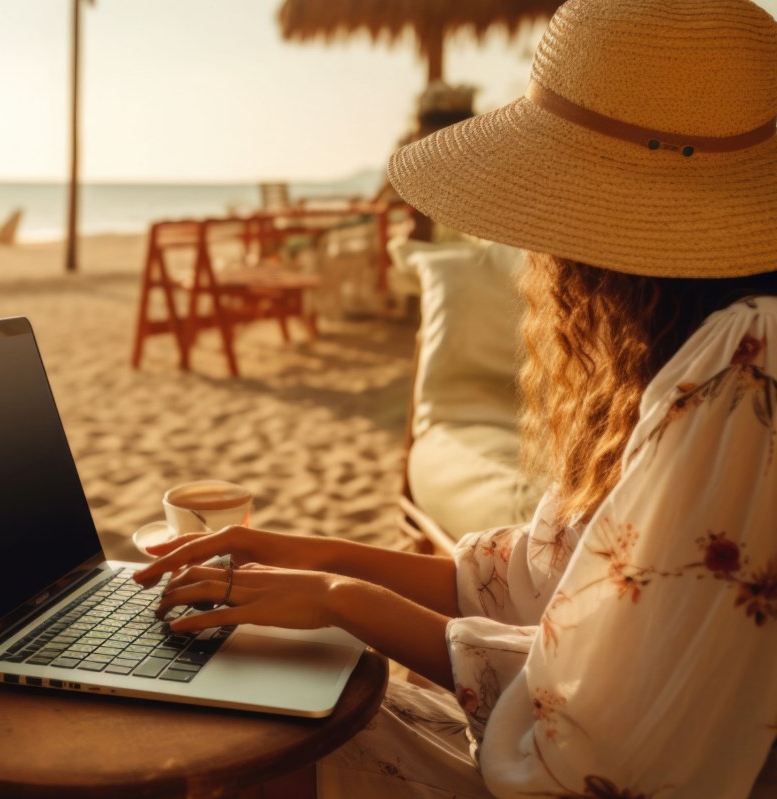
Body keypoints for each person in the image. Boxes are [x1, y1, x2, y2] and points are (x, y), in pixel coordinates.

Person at [134, 0, 777, 796]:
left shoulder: (747, 363)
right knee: (253, 704)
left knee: (251, 738)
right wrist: (310, 553)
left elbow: (594, 732)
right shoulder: (698, 341)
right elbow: (541, 578)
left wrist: (342, 600)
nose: (535, 245)